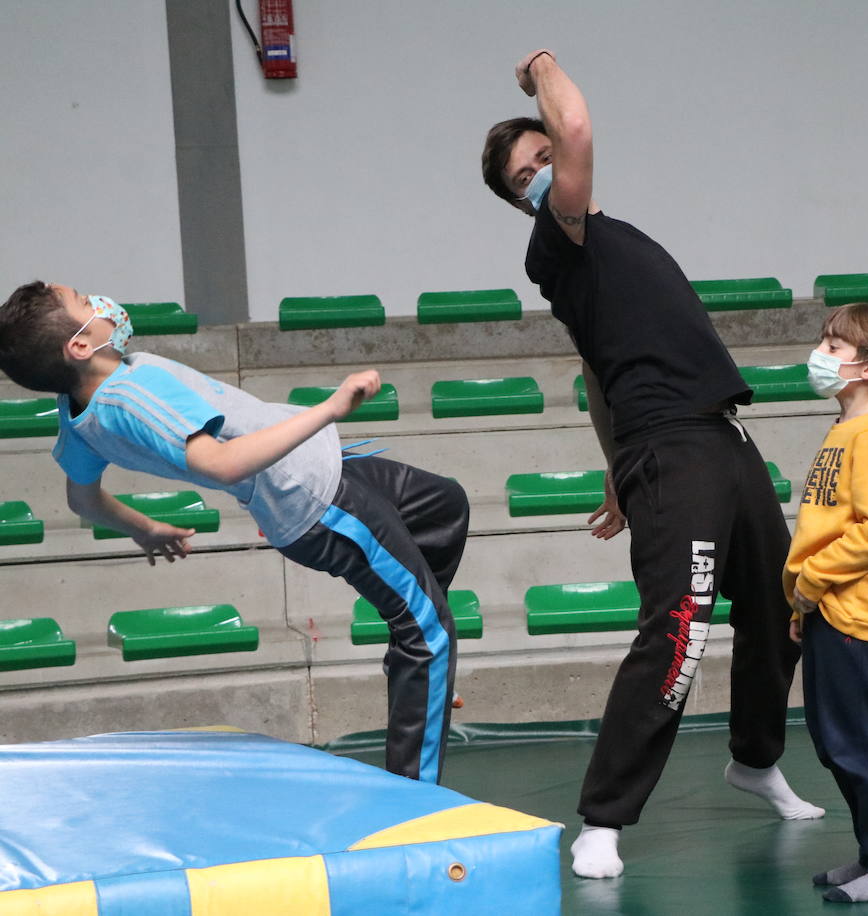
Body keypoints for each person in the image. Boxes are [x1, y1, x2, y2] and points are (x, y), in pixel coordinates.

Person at [479, 50, 819, 879]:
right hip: (671, 448)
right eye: (527, 171)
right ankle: (603, 818)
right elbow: (580, 125)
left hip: (718, 439)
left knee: (780, 611)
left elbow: (596, 371)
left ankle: (755, 757)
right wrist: (541, 68)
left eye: (540, 157)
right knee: (678, 627)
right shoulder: (558, 239)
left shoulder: (612, 243)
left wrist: (612, 467)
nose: (543, 170)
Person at [0, 282, 468, 785]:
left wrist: (146, 529)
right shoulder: (132, 398)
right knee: (430, 631)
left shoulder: (82, 412)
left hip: (327, 468)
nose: (100, 302)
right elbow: (220, 464)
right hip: (315, 499)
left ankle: (413, 658)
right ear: (79, 346)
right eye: (84, 303)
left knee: (444, 506)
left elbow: (82, 498)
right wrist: (331, 407)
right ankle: (417, 795)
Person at [783, 304, 868, 904]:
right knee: (831, 739)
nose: (821, 354)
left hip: (852, 613)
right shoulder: (845, 430)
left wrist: (813, 582)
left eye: (834, 347)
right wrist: (800, 604)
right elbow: (825, 525)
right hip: (824, 609)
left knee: (856, 742)